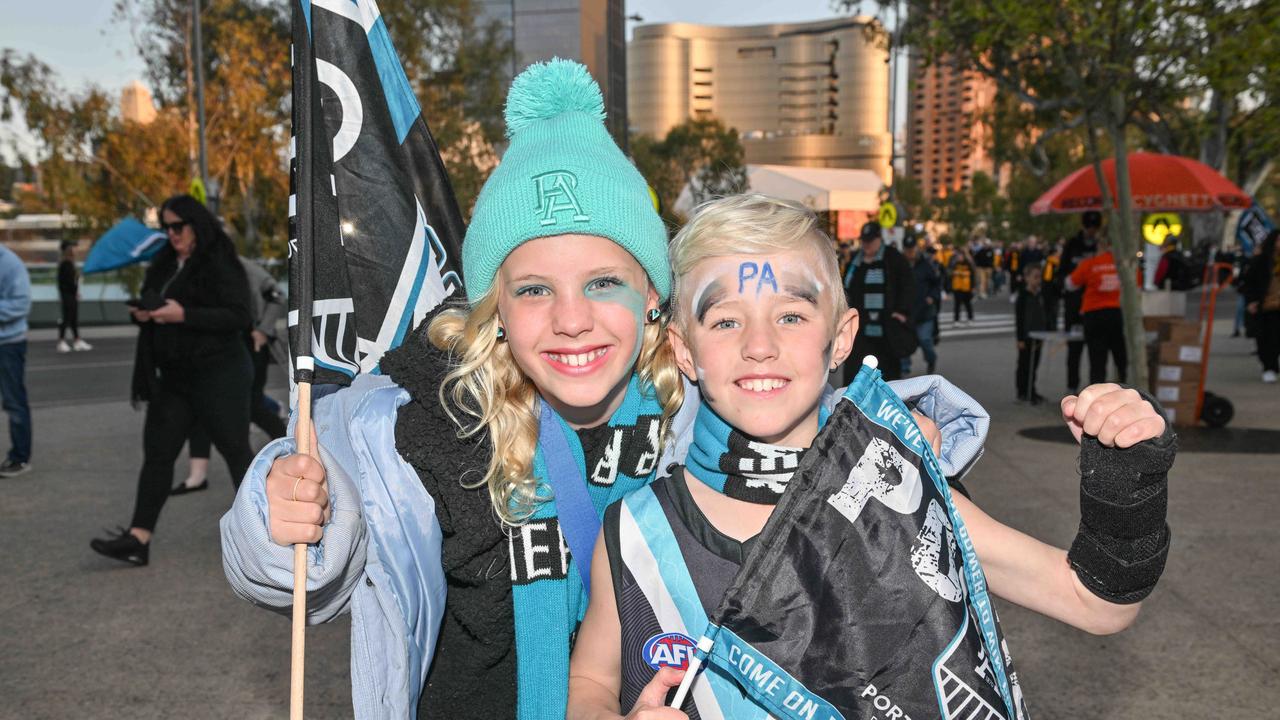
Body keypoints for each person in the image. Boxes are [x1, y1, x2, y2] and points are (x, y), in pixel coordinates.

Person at [219, 61, 985, 719]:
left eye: (603, 282)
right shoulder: (423, 425)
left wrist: (919, 426)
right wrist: (282, 511)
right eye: (532, 292)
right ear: (493, 308)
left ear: (655, 298)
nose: (572, 322)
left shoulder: (699, 404)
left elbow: (817, 420)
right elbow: (304, 565)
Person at [566, 195, 1176, 720]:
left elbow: (1097, 604)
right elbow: (588, 682)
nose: (759, 345)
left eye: (792, 315)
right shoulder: (635, 531)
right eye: (726, 321)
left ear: (841, 338)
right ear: (684, 351)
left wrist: (1127, 477)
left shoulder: (898, 491)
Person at [89, 194, 254, 566]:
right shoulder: (164, 261)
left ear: (196, 224)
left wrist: (184, 315)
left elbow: (239, 316)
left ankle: (266, 537)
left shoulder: (220, 261)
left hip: (220, 374)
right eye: (165, 227)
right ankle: (138, 539)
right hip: (175, 377)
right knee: (158, 455)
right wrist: (145, 313)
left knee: (236, 452)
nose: (171, 234)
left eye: (177, 226)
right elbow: (154, 299)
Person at [172, 257, 287, 495]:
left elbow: (276, 295)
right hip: (217, 347)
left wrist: (262, 331)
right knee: (202, 405)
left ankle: (290, 446)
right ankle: (198, 474)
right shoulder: (193, 267)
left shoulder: (239, 265)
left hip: (247, 344)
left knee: (252, 405)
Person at [842, 220, 915, 382]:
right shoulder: (855, 262)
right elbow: (845, 288)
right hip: (860, 329)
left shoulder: (893, 258)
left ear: (879, 239)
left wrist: (901, 311)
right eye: (864, 241)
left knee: (887, 375)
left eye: (870, 241)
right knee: (856, 373)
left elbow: (908, 286)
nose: (866, 245)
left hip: (886, 328)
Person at [1066, 234, 1127, 385]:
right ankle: (1125, 387)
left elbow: (1070, 284)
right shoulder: (1121, 265)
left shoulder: (1090, 264)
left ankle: (1097, 392)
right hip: (1115, 313)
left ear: (1100, 246)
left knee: (1097, 360)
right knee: (1120, 356)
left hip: (1093, 315)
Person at [1061, 212, 1103, 392]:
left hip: (1096, 307)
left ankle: (1096, 388)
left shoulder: (1100, 247)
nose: (1092, 232)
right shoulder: (1072, 245)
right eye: (1090, 228)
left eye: (1095, 229)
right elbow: (1062, 274)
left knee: (1097, 351)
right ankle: (1072, 386)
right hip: (1074, 305)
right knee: (1074, 350)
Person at [0, 242, 32, 477]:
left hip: (8, 343)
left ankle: (20, 458)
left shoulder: (10, 263)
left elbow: (21, 303)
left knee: (14, 401)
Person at [1242, 229, 1280, 383]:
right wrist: (1251, 301)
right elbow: (1248, 283)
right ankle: (1269, 367)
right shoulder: (1261, 261)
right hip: (1265, 307)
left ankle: (1272, 365)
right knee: (1266, 340)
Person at [903, 234, 941, 375]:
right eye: (907, 249)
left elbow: (936, 283)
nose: (910, 253)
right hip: (907, 311)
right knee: (904, 341)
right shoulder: (901, 264)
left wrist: (932, 297)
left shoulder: (925, 264)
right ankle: (904, 368)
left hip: (924, 311)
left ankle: (931, 359)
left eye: (912, 249)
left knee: (925, 339)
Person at [1015, 264, 1048, 404]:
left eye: (1039, 277)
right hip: (1027, 336)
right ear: (1027, 278)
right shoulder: (1022, 296)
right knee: (1024, 365)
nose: (1037, 280)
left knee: (1034, 365)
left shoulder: (1040, 295)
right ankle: (1023, 392)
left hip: (1038, 335)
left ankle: (1031, 391)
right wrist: (1020, 338)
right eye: (1035, 277)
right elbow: (1019, 319)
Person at [56, 241, 92, 353]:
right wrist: (75, 288)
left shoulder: (68, 263)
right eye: (73, 248)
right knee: (67, 318)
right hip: (68, 296)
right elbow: (67, 282)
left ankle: (77, 340)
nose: (75, 250)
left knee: (73, 319)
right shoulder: (66, 264)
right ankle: (61, 341)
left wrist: (76, 290)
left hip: (70, 295)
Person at [949, 246, 976, 324]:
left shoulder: (968, 264)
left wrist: (972, 287)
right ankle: (956, 320)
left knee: (968, 304)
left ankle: (970, 318)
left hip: (966, 287)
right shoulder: (954, 264)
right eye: (958, 256)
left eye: (960, 256)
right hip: (957, 287)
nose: (959, 257)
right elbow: (949, 274)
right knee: (957, 305)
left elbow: (972, 276)